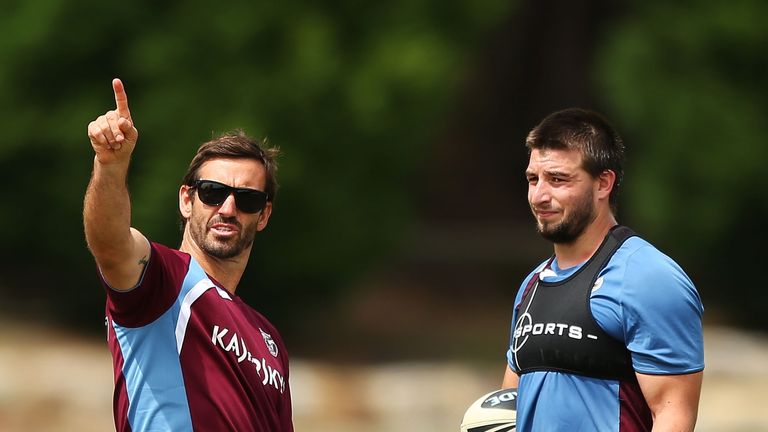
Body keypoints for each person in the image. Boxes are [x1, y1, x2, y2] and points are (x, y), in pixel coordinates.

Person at [84, 78, 293, 431]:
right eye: (213, 192)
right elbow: (110, 243)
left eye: (247, 199)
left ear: (264, 215)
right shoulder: (164, 280)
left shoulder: (269, 339)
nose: (228, 208)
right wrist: (110, 165)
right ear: (186, 199)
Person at [501, 108, 704, 431]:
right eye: (533, 179)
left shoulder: (648, 278)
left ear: (603, 183)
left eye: (557, 179)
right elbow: (508, 405)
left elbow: (672, 413)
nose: (539, 195)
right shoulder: (532, 285)